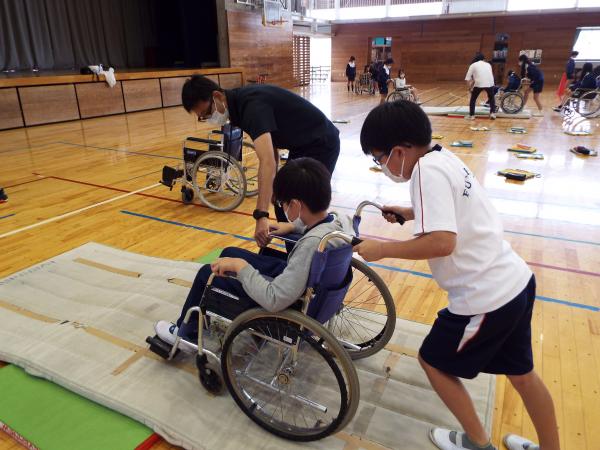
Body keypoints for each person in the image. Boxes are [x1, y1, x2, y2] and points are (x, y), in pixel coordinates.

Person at [354, 100, 560, 450]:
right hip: (516, 282)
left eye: (379, 158)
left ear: (400, 151)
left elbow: (442, 242)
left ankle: (478, 443)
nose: (382, 166)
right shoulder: (442, 156)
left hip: (485, 298)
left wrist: (382, 248)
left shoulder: (422, 173)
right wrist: (410, 212)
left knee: (433, 361)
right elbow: (454, 209)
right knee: (522, 375)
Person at [154, 157, 354, 351]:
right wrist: (292, 225)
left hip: (283, 305)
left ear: (294, 205)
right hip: (307, 287)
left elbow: (274, 299)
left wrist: (241, 268)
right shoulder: (340, 222)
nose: (283, 208)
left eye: (284, 203)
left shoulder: (311, 244)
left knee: (207, 273)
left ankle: (184, 333)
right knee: (228, 253)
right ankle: (201, 318)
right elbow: (316, 225)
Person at [181, 75, 340, 248]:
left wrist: (261, 215)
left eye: (207, 113)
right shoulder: (238, 106)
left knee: (305, 207)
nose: (210, 118)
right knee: (282, 201)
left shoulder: (250, 107)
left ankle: (313, 255)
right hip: (302, 146)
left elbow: (267, 162)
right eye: (203, 117)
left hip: (321, 143)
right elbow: (271, 149)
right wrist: (274, 185)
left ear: (217, 96)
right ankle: (296, 256)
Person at [464, 53, 496, 120]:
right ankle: (492, 113)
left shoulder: (473, 65)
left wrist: (469, 88)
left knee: (473, 99)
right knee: (491, 98)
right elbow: (481, 77)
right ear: (483, 59)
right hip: (490, 83)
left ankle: (472, 115)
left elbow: (467, 79)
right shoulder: (488, 64)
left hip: (479, 83)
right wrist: (471, 86)